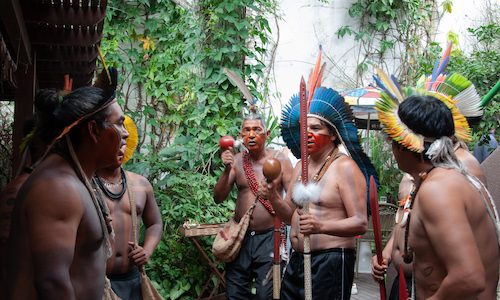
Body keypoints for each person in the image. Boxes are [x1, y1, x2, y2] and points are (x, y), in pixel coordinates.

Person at [6, 68, 125, 299]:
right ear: (93, 130)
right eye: (119, 124)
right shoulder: (58, 188)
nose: (125, 133)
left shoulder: (74, 179)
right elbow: (52, 284)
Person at [372, 69, 489, 299]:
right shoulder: (437, 179)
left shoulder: (439, 190)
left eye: (392, 141)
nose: (391, 148)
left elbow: (469, 278)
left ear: (405, 144)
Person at [263, 80, 378, 298]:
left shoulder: (345, 167)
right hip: (298, 259)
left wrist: (321, 225)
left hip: (331, 261)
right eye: (304, 128)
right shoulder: (300, 166)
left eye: (315, 128)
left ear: (333, 134)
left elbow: (360, 223)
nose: (307, 133)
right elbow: (289, 215)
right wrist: (272, 195)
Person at [213, 112, 293, 300]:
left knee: (268, 294)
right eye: (246, 130)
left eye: (256, 129)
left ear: (267, 134)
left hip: (270, 237)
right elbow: (218, 197)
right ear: (241, 136)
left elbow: (293, 204)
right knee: (235, 293)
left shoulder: (280, 161)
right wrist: (227, 169)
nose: (251, 134)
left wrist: (273, 196)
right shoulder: (238, 161)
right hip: (241, 237)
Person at [95, 116, 163, 300]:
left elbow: (155, 223)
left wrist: (146, 251)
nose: (120, 147)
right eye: (114, 142)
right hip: (97, 282)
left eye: (123, 142)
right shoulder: (87, 185)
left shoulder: (141, 185)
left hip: (133, 280)